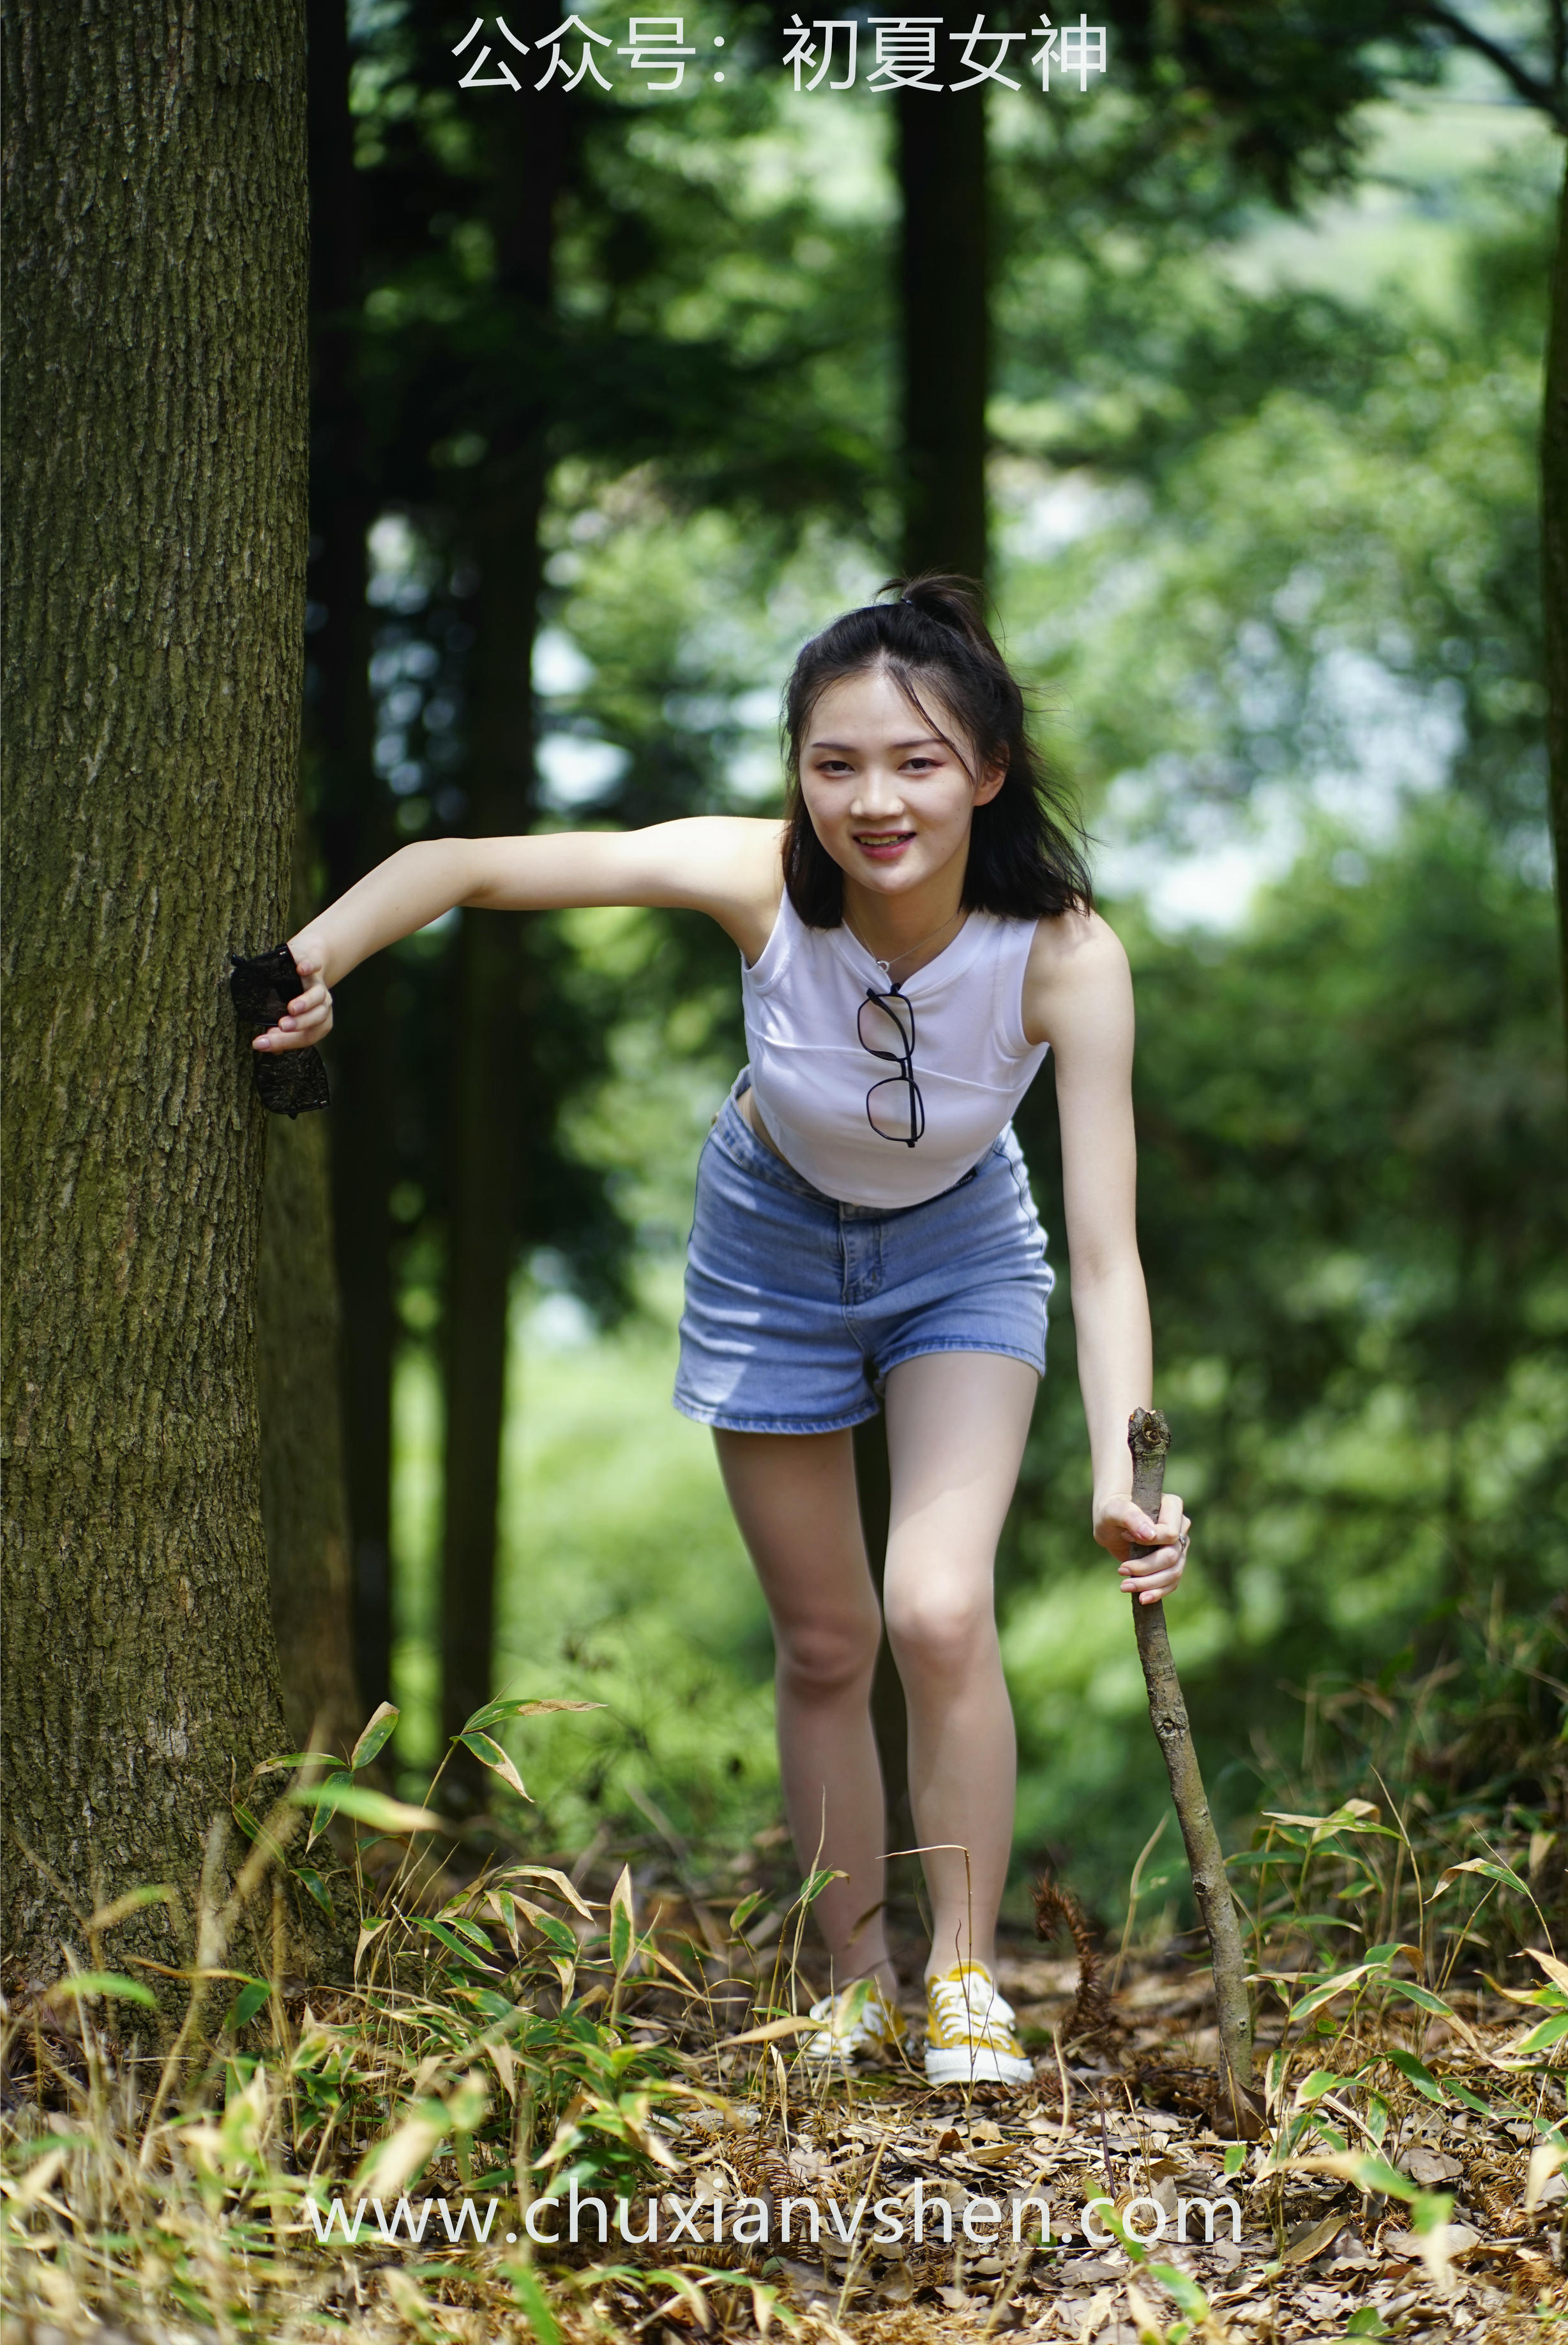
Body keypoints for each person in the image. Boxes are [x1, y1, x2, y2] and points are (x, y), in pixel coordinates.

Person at [263, 576, 1190, 2087]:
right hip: (766, 1243)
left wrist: (1122, 1469)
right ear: (796, 771)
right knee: (826, 1641)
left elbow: (1102, 1250)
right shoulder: (757, 878)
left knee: (939, 1609)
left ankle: (963, 1982)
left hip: (963, 1252)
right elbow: (462, 864)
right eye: (836, 763)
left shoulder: (1061, 954)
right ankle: (851, 1981)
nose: (873, 800)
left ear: (989, 769)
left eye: (916, 761)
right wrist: (317, 962)